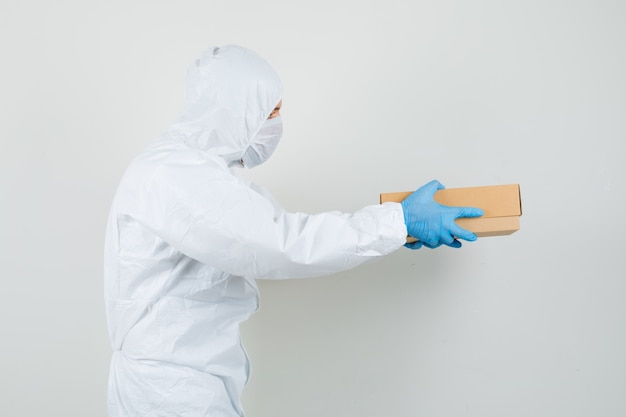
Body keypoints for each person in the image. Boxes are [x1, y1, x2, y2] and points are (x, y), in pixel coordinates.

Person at [103, 44, 483, 417]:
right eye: (272, 111)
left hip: (180, 385)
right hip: (169, 395)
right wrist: (397, 221)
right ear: (238, 112)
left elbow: (266, 233)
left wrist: (397, 229)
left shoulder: (195, 173)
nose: (276, 125)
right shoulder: (174, 174)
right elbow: (281, 244)